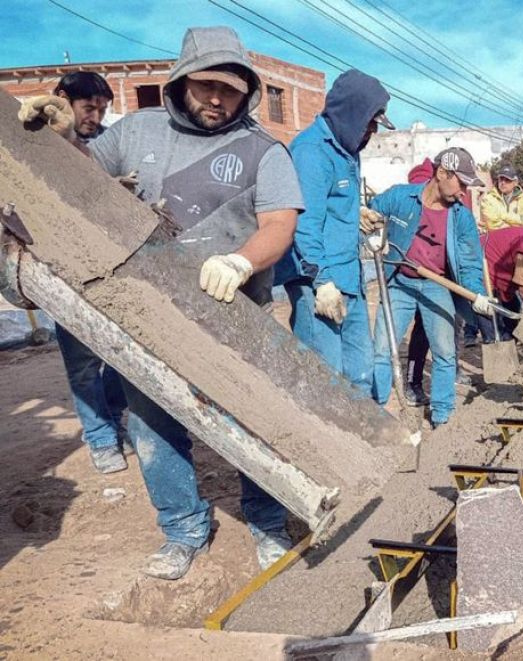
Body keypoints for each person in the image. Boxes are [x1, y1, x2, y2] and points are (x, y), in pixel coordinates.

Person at [20, 27, 304, 580]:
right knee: (153, 425)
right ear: (182, 82)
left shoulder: (263, 150)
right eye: (206, 87)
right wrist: (55, 136)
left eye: (231, 90)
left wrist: (242, 261)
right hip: (146, 313)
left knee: (258, 423)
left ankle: (269, 523)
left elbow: (279, 223)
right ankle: (183, 530)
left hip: (235, 313)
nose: (218, 100)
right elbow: (77, 176)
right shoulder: (137, 131)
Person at [32, 72, 131, 474]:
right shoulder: (37, 139)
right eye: (88, 107)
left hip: (109, 266)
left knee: (126, 357)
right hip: (63, 269)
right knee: (83, 362)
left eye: (102, 109)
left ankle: (110, 415)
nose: (95, 116)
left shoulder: (105, 144)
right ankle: (103, 439)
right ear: (62, 100)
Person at [278, 69, 393, 396]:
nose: (371, 132)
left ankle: (361, 444)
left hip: (349, 278)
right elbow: (303, 222)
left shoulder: (347, 151)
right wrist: (321, 282)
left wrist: (355, 212)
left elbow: (328, 201)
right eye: (370, 123)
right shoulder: (312, 151)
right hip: (319, 283)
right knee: (324, 380)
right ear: (352, 113)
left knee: (360, 372)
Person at [368, 147, 492, 428]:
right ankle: (374, 410)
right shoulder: (401, 197)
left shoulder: (461, 216)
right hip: (400, 282)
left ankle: (442, 415)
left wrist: (478, 295)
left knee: (445, 352)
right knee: (383, 349)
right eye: (460, 183)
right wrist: (374, 235)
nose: (463, 191)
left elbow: (471, 262)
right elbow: (370, 212)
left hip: (437, 286)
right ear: (441, 173)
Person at [479, 164, 523, 232]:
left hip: (516, 241)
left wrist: (503, 215)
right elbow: (493, 225)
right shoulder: (487, 199)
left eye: (507, 180)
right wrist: (518, 224)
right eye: (501, 179)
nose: (503, 182)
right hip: (493, 240)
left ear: (515, 182)